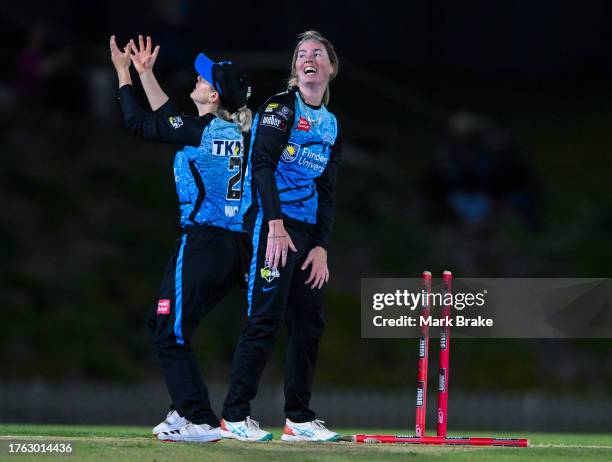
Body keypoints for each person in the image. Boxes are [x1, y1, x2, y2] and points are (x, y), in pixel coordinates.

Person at [109, 35, 253, 443]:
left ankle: (199, 419)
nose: (198, 78)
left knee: (167, 330)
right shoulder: (225, 129)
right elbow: (170, 117)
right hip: (232, 249)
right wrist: (145, 73)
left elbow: (141, 122)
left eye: (205, 78)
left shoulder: (200, 133)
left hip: (204, 242)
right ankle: (181, 410)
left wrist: (123, 75)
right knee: (167, 323)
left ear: (214, 94)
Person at [220, 30, 342, 442]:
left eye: (317, 54)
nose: (309, 58)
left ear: (330, 67)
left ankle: (299, 419)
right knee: (265, 319)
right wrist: (274, 224)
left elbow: (327, 189)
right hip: (273, 226)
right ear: (295, 68)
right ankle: (234, 415)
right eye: (302, 54)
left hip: (307, 235)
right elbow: (262, 164)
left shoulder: (330, 123)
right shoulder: (280, 107)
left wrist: (322, 245)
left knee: (309, 323)